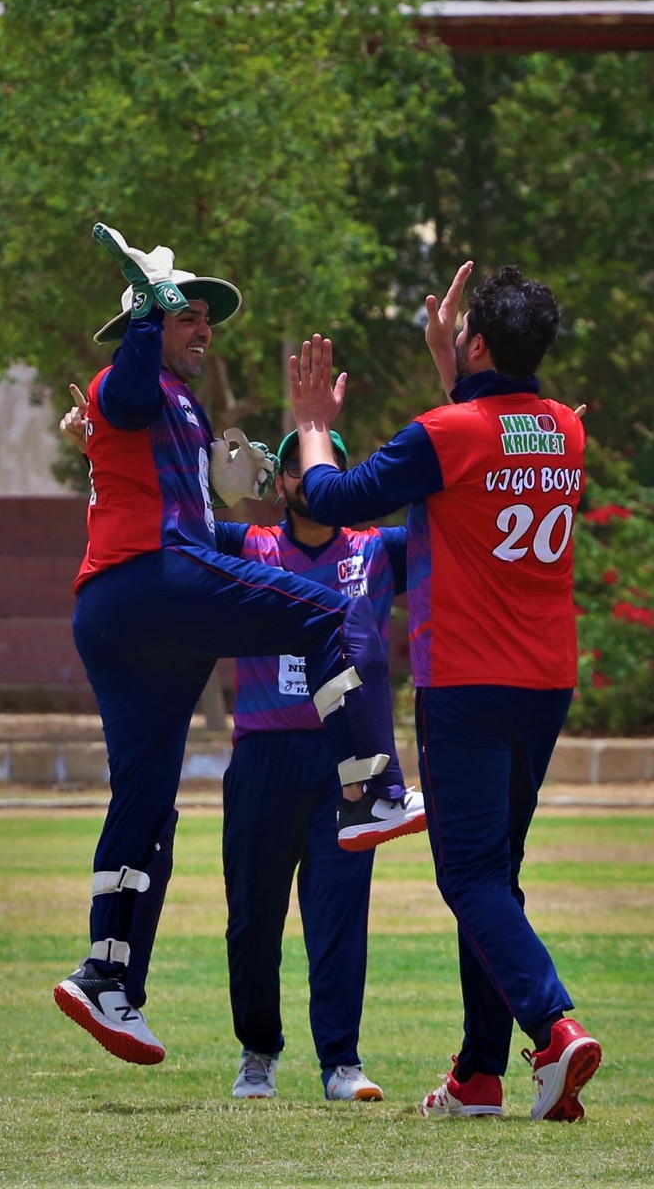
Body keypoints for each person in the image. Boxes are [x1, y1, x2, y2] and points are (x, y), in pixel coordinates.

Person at [53, 224, 424, 1072]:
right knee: (335, 617)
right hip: (152, 583)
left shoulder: (171, 405)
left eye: (203, 318)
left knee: (146, 803)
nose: (203, 327)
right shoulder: (130, 377)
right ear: (149, 319)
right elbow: (125, 395)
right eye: (186, 315)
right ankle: (370, 791)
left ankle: (107, 974)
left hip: (116, 613)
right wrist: (145, 316)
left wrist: (116, 445)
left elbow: (134, 452)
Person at [286, 262, 602, 1122]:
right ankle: (478, 1077)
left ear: (480, 344)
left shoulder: (448, 429)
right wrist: (455, 368)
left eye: (463, 333)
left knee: (468, 877)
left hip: (467, 680)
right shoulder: (565, 430)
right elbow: (491, 439)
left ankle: (554, 1028)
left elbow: (333, 498)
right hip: (544, 681)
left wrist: (312, 426)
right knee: (494, 877)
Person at [212, 429, 406, 1103]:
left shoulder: (377, 551)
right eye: (291, 467)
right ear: (280, 480)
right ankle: (257, 1053)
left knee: (339, 916)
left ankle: (341, 1063)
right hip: (262, 755)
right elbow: (165, 535)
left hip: (345, 761)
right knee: (251, 917)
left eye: (318, 467)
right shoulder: (247, 545)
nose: (303, 476)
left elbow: (459, 527)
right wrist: (213, 492)